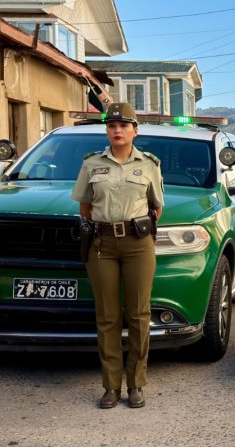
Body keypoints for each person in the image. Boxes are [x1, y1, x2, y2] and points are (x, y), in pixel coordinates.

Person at [72, 103, 164, 409]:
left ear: (135, 130)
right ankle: (111, 386)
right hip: (101, 244)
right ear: (106, 131)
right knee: (107, 316)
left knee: (138, 315)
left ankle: (136, 383)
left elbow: (156, 208)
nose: (117, 130)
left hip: (138, 244)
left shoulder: (150, 164)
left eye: (124, 125)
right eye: (112, 126)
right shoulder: (91, 164)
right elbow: (85, 207)